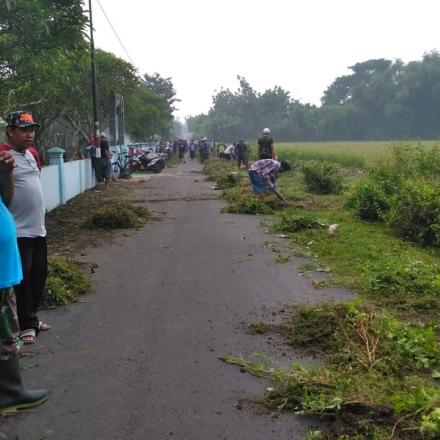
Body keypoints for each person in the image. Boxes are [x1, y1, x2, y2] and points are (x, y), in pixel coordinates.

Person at [0, 148, 48, 420]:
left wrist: (5, 173)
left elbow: (4, 199)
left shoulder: (27, 156)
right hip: (17, 239)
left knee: (5, 333)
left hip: (9, 261)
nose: (30, 133)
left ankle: (10, 391)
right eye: (23, 128)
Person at [0, 111, 50, 345]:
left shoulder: (32, 154)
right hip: (18, 231)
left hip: (38, 228)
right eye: (24, 129)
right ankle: (26, 325)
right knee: (23, 280)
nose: (30, 134)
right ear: (10, 130)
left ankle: (31, 318)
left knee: (39, 276)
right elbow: (5, 198)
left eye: (32, 129)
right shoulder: (3, 156)